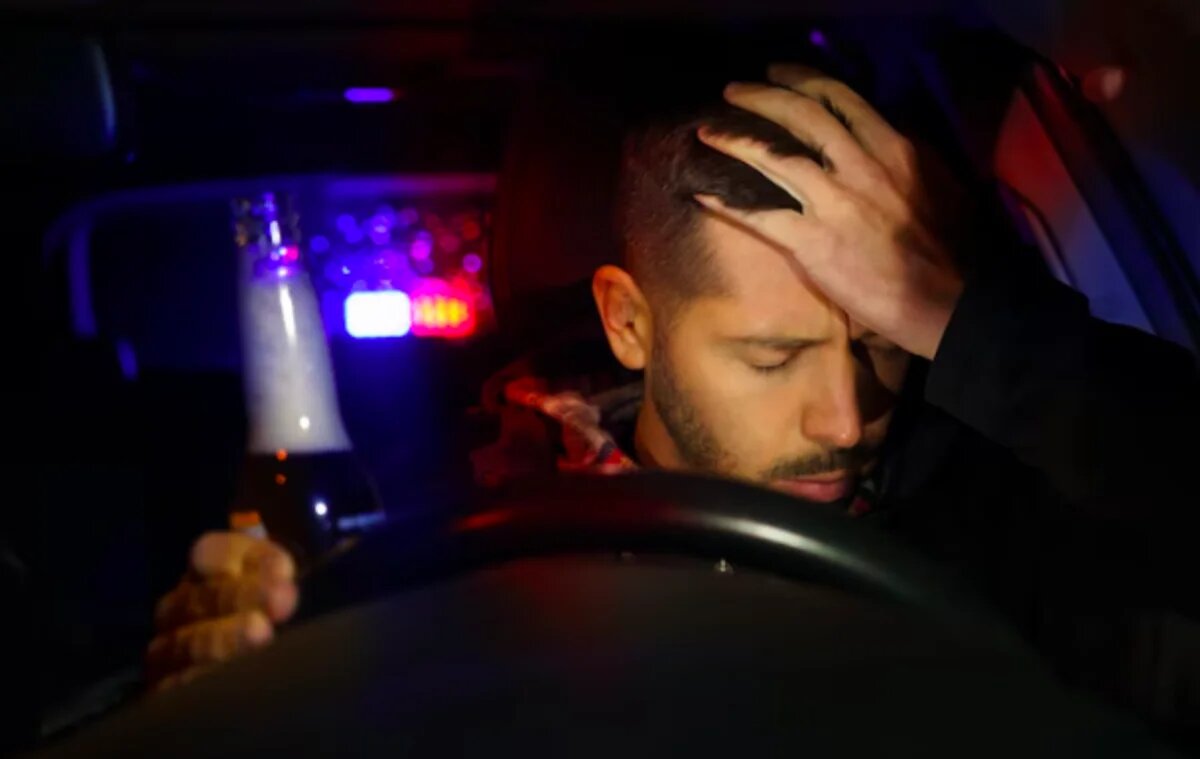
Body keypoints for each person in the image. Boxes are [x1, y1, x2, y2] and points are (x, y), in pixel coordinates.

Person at [145, 65, 1199, 731]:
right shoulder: (439, 532)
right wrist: (231, 691)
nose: (845, 420)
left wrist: (975, 326)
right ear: (629, 322)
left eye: (885, 347)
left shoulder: (1019, 523)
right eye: (772, 357)